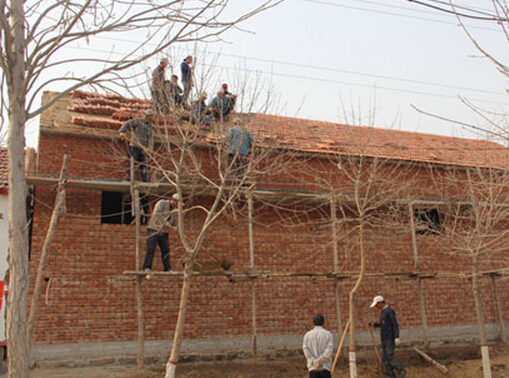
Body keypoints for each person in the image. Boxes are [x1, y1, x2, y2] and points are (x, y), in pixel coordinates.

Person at [369, 295, 407, 378]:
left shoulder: (389, 311)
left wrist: (396, 337)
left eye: (376, 305)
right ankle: (390, 375)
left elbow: (394, 324)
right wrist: (375, 325)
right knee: (385, 358)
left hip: (390, 338)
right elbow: (384, 324)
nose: (376, 307)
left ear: (381, 303)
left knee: (390, 355)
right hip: (384, 338)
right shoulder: (383, 312)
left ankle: (401, 370)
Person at [142, 194, 180, 273]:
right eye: (176, 202)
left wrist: (177, 229)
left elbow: (176, 224)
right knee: (151, 249)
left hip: (164, 232)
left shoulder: (175, 212)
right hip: (153, 229)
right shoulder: (162, 203)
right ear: (173, 200)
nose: (176, 204)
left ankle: (167, 268)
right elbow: (157, 214)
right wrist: (167, 224)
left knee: (166, 250)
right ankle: (147, 267)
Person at [119, 109, 154, 183]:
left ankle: (145, 180)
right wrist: (122, 132)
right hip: (134, 145)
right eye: (150, 116)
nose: (151, 118)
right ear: (147, 116)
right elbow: (127, 124)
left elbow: (151, 138)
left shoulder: (150, 126)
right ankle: (129, 178)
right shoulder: (138, 121)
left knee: (144, 164)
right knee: (132, 162)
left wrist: (149, 148)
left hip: (143, 148)